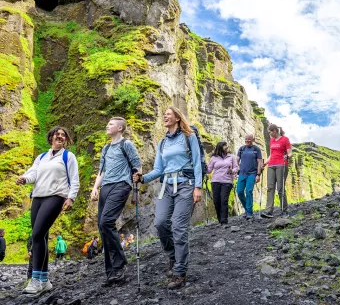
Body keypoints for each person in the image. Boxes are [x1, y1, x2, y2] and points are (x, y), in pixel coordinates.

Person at [134, 106, 202, 290]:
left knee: (179, 227)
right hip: (167, 186)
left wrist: (198, 186)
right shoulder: (162, 143)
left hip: (186, 185)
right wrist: (143, 178)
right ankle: (173, 256)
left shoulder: (189, 137)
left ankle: (180, 272)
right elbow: (158, 169)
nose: (165, 116)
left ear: (178, 118)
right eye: (163, 114)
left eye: (168, 114)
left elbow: (197, 162)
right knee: (161, 223)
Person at [16, 126, 80, 295]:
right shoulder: (42, 157)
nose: (60, 136)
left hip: (56, 196)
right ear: (51, 137)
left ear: (66, 139)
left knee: (36, 234)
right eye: (57, 134)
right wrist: (24, 178)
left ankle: (35, 280)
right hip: (37, 197)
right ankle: (44, 280)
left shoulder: (68, 156)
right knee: (41, 236)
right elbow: (33, 173)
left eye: (63, 135)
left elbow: (74, 179)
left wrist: (71, 197)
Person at [90, 117, 141, 286]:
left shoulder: (126, 144)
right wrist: (95, 188)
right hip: (105, 187)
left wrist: (136, 190)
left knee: (106, 222)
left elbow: (137, 166)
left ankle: (120, 263)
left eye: (111, 124)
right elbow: (101, 171)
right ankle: (111, 272)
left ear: (120, 128)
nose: (107, 125)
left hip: (121, 185)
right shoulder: (105, 148)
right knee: (102, 228)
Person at [261, 124, 292, 218]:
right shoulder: (271, 141)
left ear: (275, 130)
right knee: (270, 188)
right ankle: (269, 211)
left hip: (281, 165)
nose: (269, 134)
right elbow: (271, 154)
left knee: (280, 187)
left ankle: (284, 210)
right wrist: (265, 163)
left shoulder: (285, 139)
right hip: (271, 165)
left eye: (270, 132)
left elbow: (290, 152)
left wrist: (287, 156)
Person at [207, 141, 238, 225]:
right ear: (220, 148)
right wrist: (203, 167)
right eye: (225, 147)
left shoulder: (231, 157)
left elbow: (236, 167)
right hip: (215, 181)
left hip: (227, 181)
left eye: (227, 147)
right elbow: (209, 170)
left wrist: (232, 170)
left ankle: (224, 220)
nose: (227, 148)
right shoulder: (214, 158)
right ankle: (220, 219)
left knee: (224, 200)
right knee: (216, 201)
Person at [236, 135, 263, 219]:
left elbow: (259, 162)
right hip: (242, 174)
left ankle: (249, 212)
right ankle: (247, 209)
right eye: (246, 139)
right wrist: (236, 169)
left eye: (249, 139)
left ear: (253, 140)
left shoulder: (256, 149)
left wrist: (258, 175)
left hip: (252, 174)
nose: (247, 140)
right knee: (239, 191)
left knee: (249, 191)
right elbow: (237, 160)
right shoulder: (241, 149)